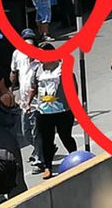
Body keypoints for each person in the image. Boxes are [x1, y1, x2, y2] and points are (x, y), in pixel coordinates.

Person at [28, 42, 78, 179]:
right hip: (44, 111)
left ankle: (74, 156)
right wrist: (28, 103)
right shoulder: (37, 69)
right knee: (46, 140)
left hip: (63, 110)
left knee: (65, 136)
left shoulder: (63, 68)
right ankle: (47, 167)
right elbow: (34, 88)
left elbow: (73, 87)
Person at [0, 67, 28, 199]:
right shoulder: (4, 96)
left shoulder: (5, 97)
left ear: (1, 80)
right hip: (2, 139)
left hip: (6, 139)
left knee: (11, 167)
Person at [10, 28, 44, 174]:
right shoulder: (17, 54)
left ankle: (39, 159)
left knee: (36, 132)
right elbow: (13, 72)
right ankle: (42, 148)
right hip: (24, 102)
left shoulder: (40, 61)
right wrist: (11, 89)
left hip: (37, 103)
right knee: (26, 133)